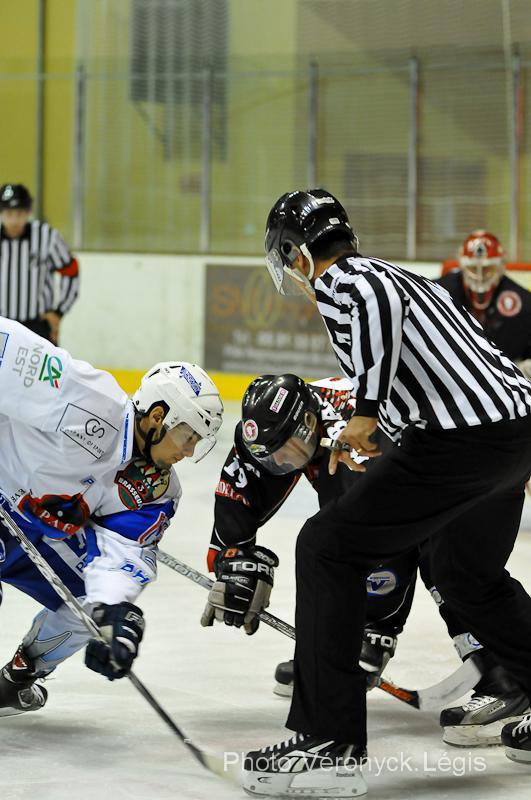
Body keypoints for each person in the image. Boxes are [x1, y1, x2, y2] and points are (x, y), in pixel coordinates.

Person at [234, 188, 531, 797]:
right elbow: (434, 369)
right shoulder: (408, 278)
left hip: (463, 440)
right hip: (514, 433)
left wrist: (364, 413)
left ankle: (330, 743)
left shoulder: (349, 280)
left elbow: (373, 309)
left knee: (326, 547)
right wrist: (372, 434)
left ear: (297, 254)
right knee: (465, 572)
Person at [203, 373, 529, 748]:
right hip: (480, 438)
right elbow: (243, 484)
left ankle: (505, 676)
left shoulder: (357, 443)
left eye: (286, 450)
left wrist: (376, 629)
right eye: (271, 455)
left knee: (453, 564)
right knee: (350, 544)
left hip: (476, 450)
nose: (280, 462)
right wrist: (234, 559)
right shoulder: (279, 428)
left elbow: (389, 539)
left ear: (309, 423)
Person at [0, 316, 223, 714]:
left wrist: (114, 611)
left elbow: (124, 553)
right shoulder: (86, 397)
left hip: (33, 531)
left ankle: (17, 677)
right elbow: (6, 347)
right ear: (158, 417)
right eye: (188, 436)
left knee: (92, 607)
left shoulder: (158, 491)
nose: (189, 452)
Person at [438, 230, 531, 379]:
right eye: (473, 268)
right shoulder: (439, 291)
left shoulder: (523, 300)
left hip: (504, 378)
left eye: (488, 268)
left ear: (501, 265)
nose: (480, 275)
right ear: (462, 265)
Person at [0, 183, 80, 343]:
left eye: (20, 214)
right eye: (9, 214)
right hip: (2, 324)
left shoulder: (47, 236)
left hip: (38, 324)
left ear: (28, 212)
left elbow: (71, 271)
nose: (14, 221)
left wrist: (58, 312)